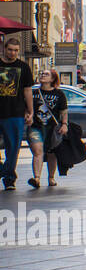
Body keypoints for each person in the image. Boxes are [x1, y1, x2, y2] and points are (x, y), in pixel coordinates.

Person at [0, 36, 34, 191]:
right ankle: (4, 170)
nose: (12, 53)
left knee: (13, 147)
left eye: (15, 51)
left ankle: (9, 179)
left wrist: (30, 110)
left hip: (16, 112)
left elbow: (27, 90)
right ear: (4, 49)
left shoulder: (24, 67)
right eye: (10, 50)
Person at [27, 68, 67, 189]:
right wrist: (27, 114)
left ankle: (51, 177)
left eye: (46, 74)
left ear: (53, 78)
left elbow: (64, 111)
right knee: (37, 151)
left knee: (51, 153)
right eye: (42, 74)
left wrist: (65, 124)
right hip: (35, 127)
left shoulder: (59, 94)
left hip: (52, 128)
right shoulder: (34, 93)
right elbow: (26, 107)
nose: (43, 75)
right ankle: (37, 178)